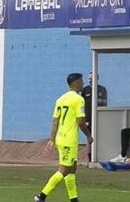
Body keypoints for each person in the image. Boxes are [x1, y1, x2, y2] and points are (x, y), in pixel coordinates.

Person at [34, 72, 87, 202]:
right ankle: (41, 196)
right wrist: (89, 136)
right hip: (68, 140)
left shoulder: (60, 99)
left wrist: (52, 139)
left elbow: (54, 121)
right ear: (75, 83)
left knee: (72, 168)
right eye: (81, 81)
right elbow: (80, 121)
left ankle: (73, 198)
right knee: (64, 169)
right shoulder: (78, 99)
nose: (83, 83)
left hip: (61, 138)